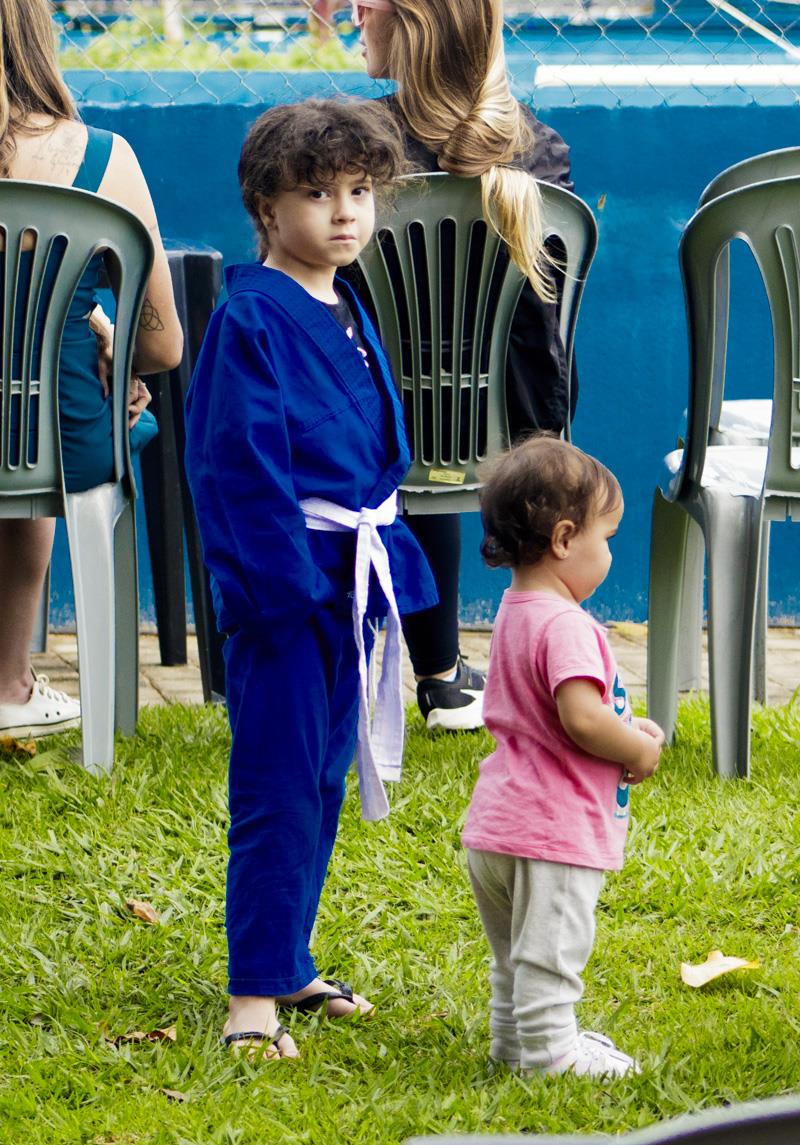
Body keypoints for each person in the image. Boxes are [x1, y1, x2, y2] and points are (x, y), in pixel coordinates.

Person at [184, 98, 437, 1060]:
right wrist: (280, 595)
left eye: (361, 192)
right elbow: (237, 469)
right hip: (289, 586)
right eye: (318, 193)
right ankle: (251, 996)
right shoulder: (250, 317)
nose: (344, 213)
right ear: (266, 205)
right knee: (278, 782)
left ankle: (287, 961)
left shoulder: (346, 303)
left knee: (323, 776)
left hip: (349, 579)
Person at [350, 0, 577, 733]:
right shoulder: (540, 152)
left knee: (403, 415)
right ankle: (461, 677)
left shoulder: (353, 148)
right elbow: (543, 335)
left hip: (367, 428)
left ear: (416, 20)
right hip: (504, 428)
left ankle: (427, 673)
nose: (353, 12)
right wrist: (546, 435)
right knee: (433, 426)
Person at [0, 0, 183, 741]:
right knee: (33, 418)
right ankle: (9, 685)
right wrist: (105, 331)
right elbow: (163, 347)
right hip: (58, 439)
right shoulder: (103, 158)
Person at [462, 435, 664, 1077]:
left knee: (512, 958)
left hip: (497, 827)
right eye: (608, 537)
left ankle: (512, 1045)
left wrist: (625, 723)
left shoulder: (515, 611)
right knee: (549, 957)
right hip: (552, 831)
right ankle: (551, 1056)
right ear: (565, 539)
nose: (610, 554)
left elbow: (549, 710)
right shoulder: (568, 623)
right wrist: (637, 748)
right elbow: (581, 718)